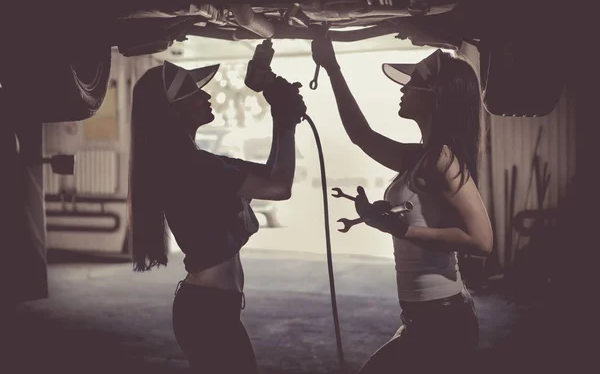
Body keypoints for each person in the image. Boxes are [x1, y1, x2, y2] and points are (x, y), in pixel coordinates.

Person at [311, 35, 493, 372]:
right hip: (424, 318)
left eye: (411, 85)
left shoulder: (443, 158)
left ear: (434, 97)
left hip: (443, 320)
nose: (402, 89)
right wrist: (332, 68)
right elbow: (361, 135)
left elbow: (482, 241)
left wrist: (404, 230)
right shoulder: (422, 156)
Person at [127, 60, 306, 373]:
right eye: (195, 94)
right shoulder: (191, 166)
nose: (206, 97)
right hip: (207, 311)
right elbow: (279, 188)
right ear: (175, 111)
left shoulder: (195, 160)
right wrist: (287, 123)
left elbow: (268, 175)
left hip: (210, 307)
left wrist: (280, 116)